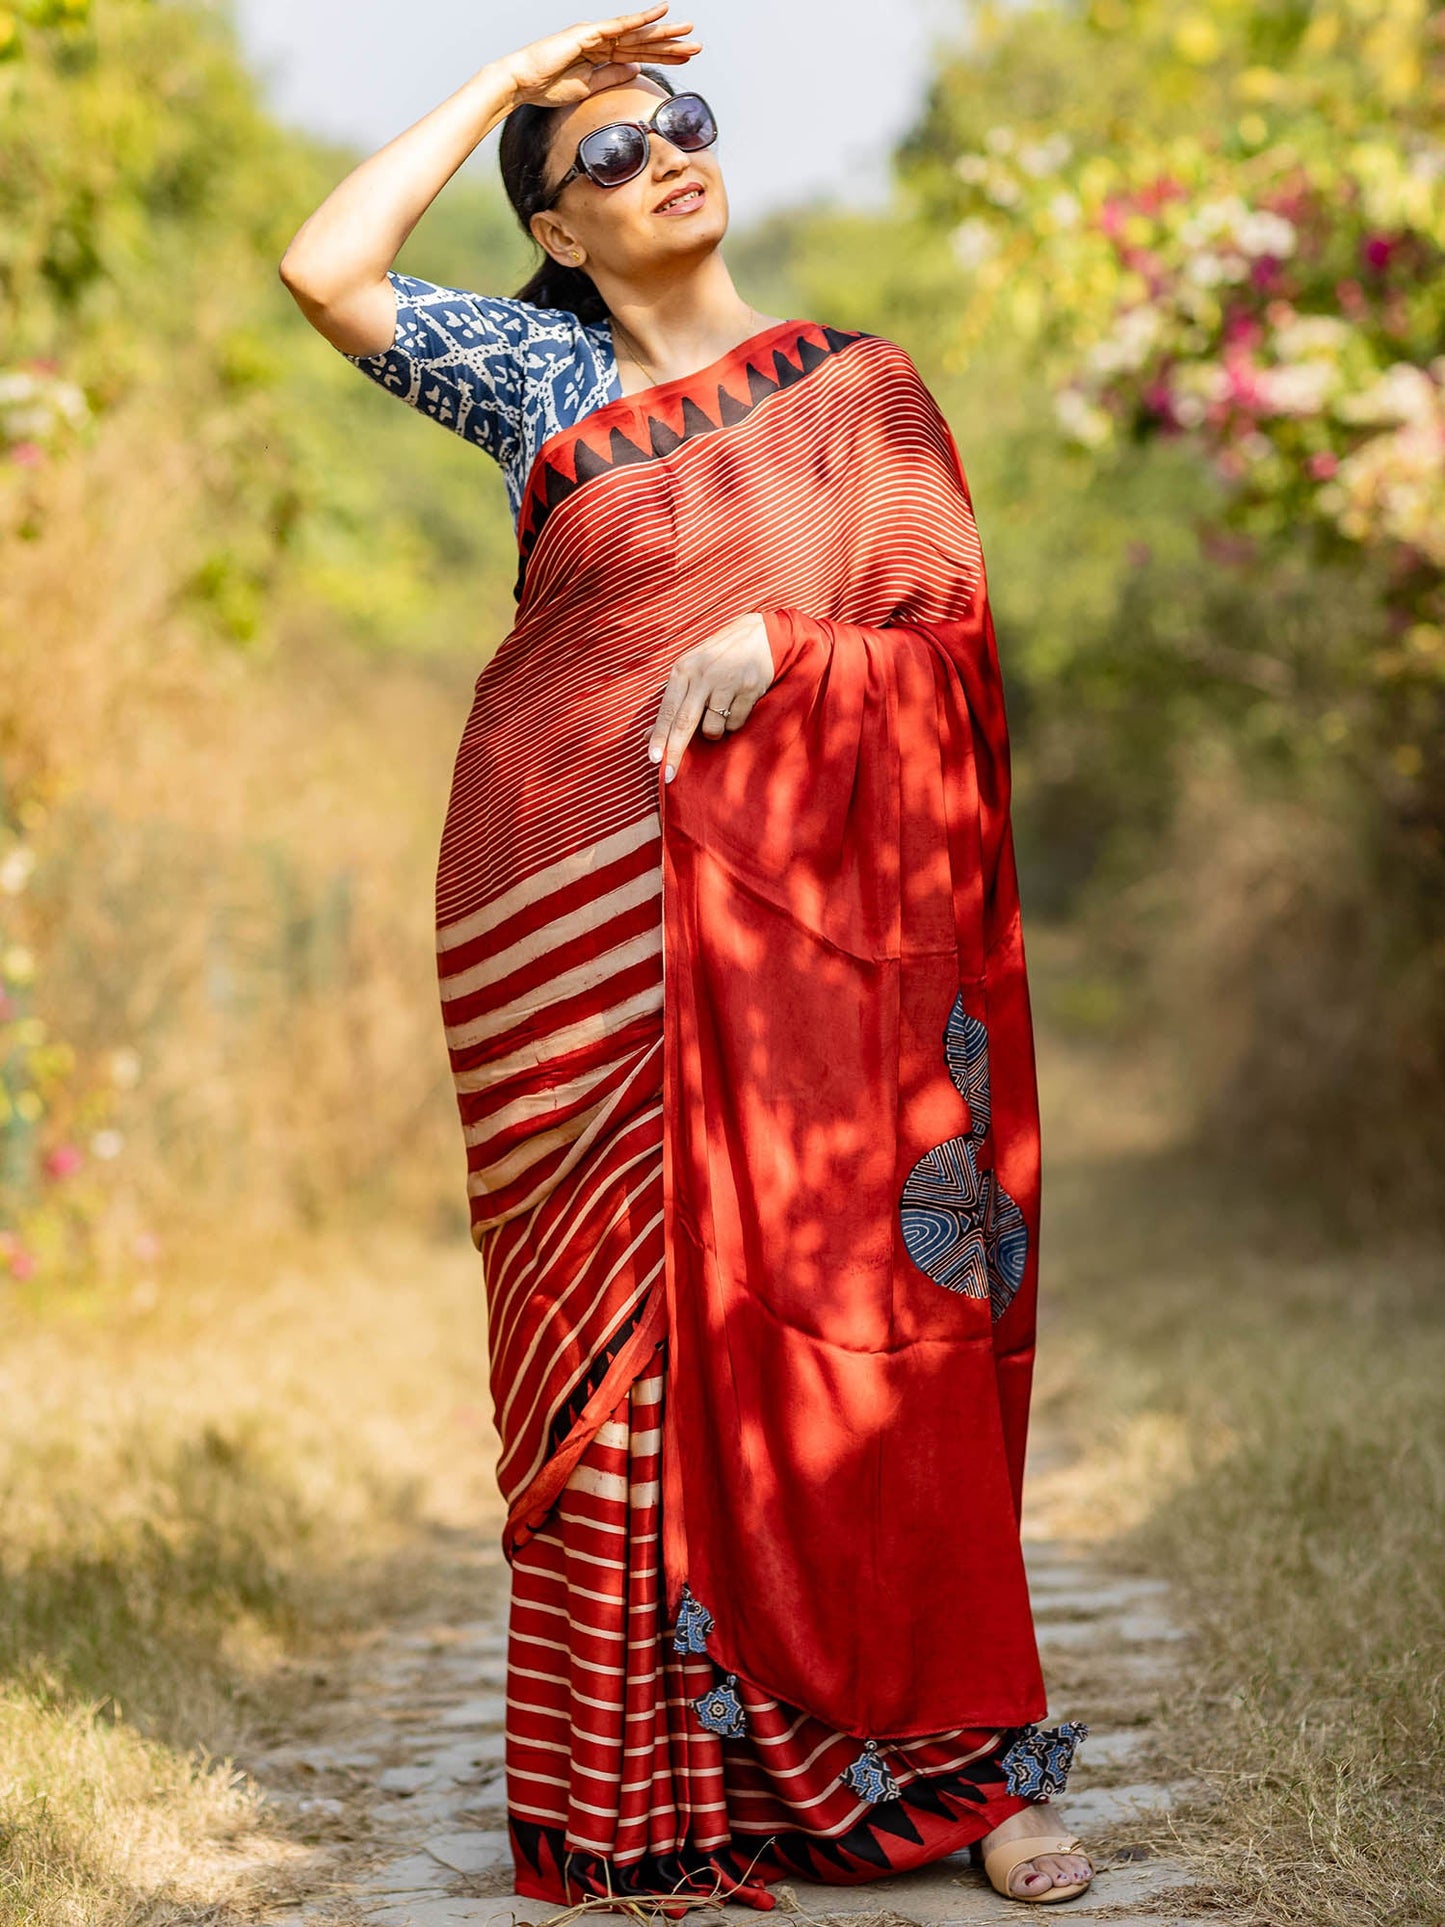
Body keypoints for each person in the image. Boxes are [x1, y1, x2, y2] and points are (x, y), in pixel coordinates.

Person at [279, 7, 1095, 1909]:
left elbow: (956, 661)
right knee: (622, 1369)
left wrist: (787, 654)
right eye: (612, 158)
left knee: (875, 1322)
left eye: (684, 127)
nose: (667, 161)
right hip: (566, 911)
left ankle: (968, 1780)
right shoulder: (538, 386)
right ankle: (669, 1790)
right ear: (557, 228)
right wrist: (508, 80)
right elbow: (326, 269)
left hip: (827, 944)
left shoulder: (863, 390)